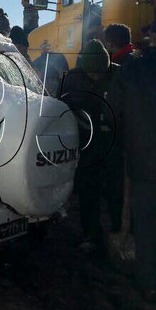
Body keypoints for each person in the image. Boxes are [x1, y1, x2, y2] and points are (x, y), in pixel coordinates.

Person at [106, 14, 156, 300]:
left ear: (153, 37)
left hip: (145, 157)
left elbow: (113, 109)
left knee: (147, 220)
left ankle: (149, 282)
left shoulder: (133, 68)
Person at [60, 40, 123, 251]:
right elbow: (62, 106)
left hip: (115, 143)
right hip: (87, 144)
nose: (97, 77)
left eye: (101, 73)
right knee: (89, 190)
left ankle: (119, 230)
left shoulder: (119, 76)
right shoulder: (73, 79)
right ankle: (91, 234)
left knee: (117, 189)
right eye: (93, 73)